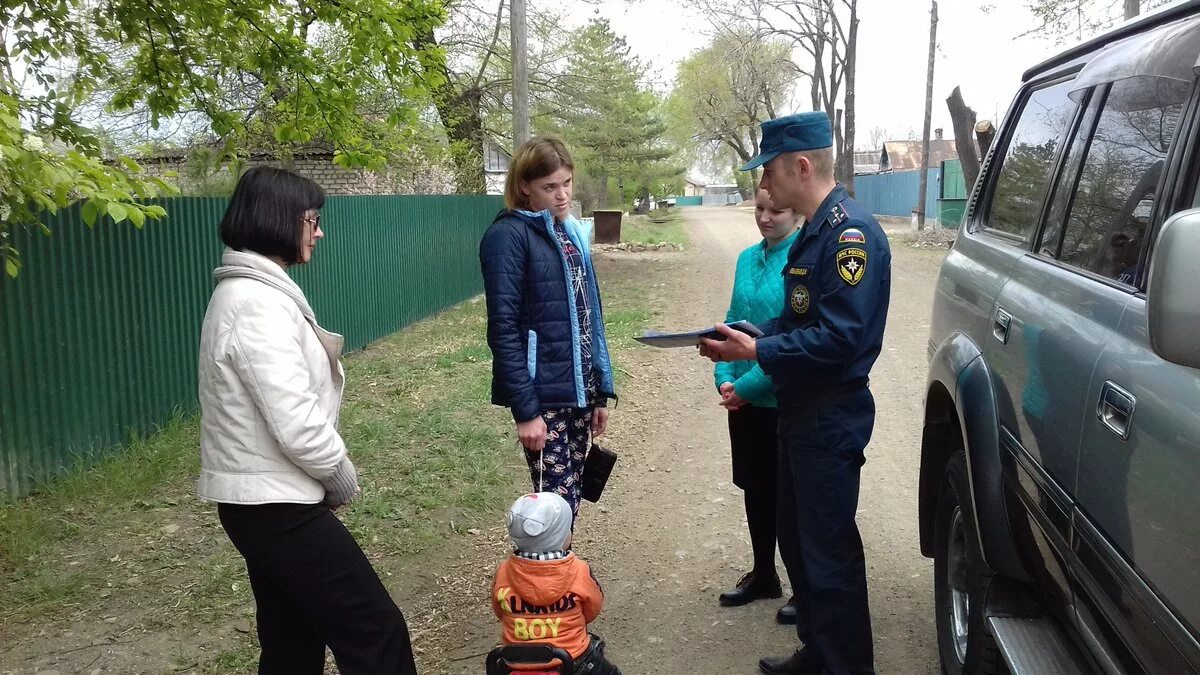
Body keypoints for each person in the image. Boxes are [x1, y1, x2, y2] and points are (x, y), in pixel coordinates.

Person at [197, 167, 418, 675]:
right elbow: (294, 419)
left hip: (262, 502)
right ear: (278, 220)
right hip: (278, 507)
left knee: (292, 639)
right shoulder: (254, 304)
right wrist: (339, 475)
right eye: (311, 219)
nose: (318, 231)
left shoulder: (253, 294)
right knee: (375, 630)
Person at [700, 112, 892, 675]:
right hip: (798, 412)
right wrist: (749, 337)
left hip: (829, 414)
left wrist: (757, 354)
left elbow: (839, 338)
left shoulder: (849, 236)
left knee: (828, 551)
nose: (764, 186)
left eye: (770, 173)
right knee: (800, 539)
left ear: (801, 167)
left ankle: (845, 666)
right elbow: (798, 320)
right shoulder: (814, 231)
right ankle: (819, 651)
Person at [479, 135, 616, 519]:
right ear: (524, 186)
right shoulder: (507, 236)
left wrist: (599, 393)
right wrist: (525, 410)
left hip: (579, 389)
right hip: (544, 398)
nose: (562, 196)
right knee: (553, 508)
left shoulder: (567, 232)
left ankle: (561, 577)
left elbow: (588, 317)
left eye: (567, 183)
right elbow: (502, 329)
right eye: (549, 187)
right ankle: (550, 579)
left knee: (571, 500)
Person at [714, 188, 803, 626]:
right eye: (760, 209)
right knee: (755, 488)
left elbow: (789, 339)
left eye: (777, 211)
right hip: (744, 399)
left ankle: (805, 589)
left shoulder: (801, 261)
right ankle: (764, 574)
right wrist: (724, 379)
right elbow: (732, 320)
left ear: (797, 213)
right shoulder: (747, 258)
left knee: (790, 497)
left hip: (779, 397)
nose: (766, 218)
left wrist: (746, 385)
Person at [492, 492, 622, 674]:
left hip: (514, 662)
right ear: (560, 537)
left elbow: (500, 611)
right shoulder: (579, 570)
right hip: (573, 660)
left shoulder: (503, 572)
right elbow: (592, 609)